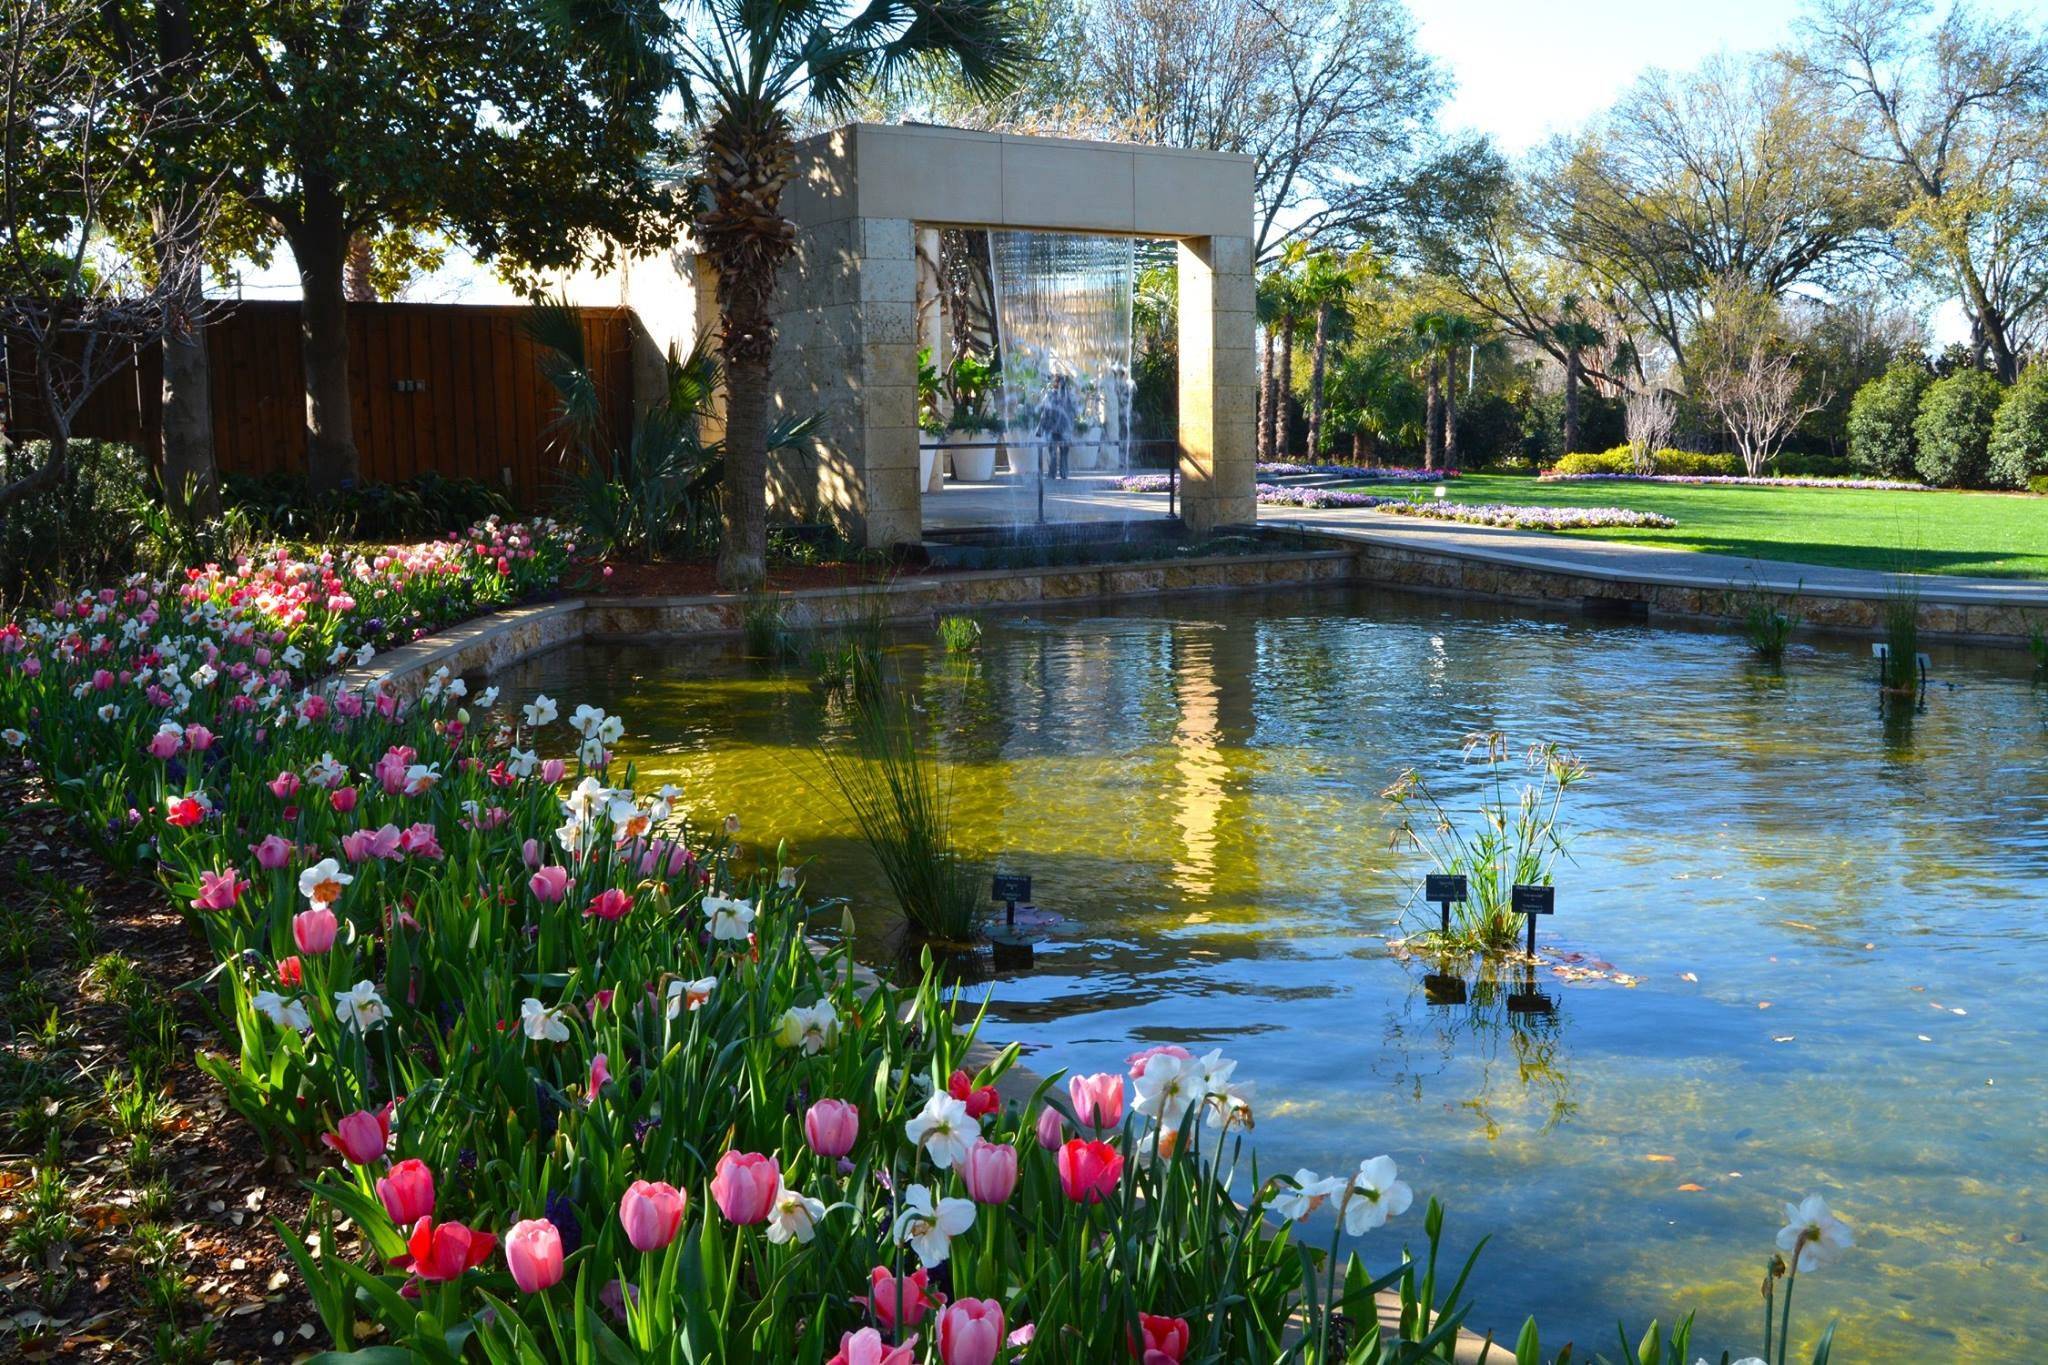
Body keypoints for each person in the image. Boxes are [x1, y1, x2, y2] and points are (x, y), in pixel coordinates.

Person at [1036, 374, 1078, 479]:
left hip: (1052, 427)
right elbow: (1075, 412)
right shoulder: (1069, 396)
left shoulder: (1050, 395)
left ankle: (1052, 473)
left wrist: (1040, 428)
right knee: (1064, 453)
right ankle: (1064, 473)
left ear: (1055, 384)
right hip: (1064, 428)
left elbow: (1045, 412)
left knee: (1053, 453)